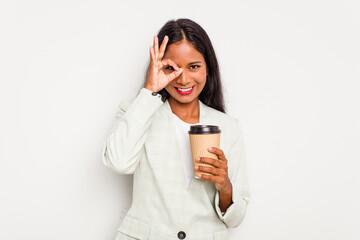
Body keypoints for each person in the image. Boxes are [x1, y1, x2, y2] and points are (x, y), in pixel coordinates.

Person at [102, 18, 250, 240]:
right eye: (172, 68)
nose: (183, 78)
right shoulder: (137, 112)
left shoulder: (228, 127)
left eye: (194, 67)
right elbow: (118, 162)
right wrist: (150, 89)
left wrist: (225, 186)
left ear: (208, 68)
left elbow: (236, 218)